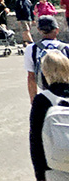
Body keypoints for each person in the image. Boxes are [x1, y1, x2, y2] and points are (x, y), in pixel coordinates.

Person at [30, 49, 69, 180]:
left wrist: (40, 175)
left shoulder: (42, 100)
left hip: (54, 167)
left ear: (44, 72)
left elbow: (36, 141)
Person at [25, 15, 69, 101]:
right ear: (57, 30)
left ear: (39, 30)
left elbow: (31, 77)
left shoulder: (31, 49)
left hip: (46, 95)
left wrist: (33, 100)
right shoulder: (66, 48)